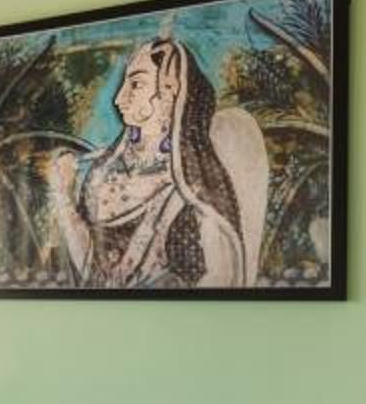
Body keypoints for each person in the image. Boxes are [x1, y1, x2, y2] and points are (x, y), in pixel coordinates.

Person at [46, 27, 263, 287]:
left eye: (136, 84)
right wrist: (63, 195)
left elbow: (217, 281)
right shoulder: (101, 175)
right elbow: (91, 274)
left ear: (171, 90)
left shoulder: (195, 186)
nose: (119, 99)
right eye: (125, 83)